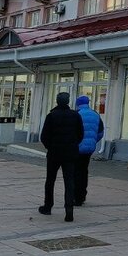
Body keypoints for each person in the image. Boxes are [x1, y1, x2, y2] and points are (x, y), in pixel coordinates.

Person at [38, 92, 84, 222]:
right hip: (70, 153)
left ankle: (48, 206)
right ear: (68, 101)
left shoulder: (51, 116)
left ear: (57, 101)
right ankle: (69, 209)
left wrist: (50, 147)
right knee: (69, 181)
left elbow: (44, 136)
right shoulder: (75, 115)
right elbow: (81, 134)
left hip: (54, 153)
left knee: (50, 180)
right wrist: (73, 145)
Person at [74, 95, 104, 206]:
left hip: (77, 148)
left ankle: (76, 196)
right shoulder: (95, 114)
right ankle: (82, 195)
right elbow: (100, 132)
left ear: (78, 104)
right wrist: (93, 141)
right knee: (84, 170)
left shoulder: (76, 114)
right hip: (89, 149)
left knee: (75, 171)